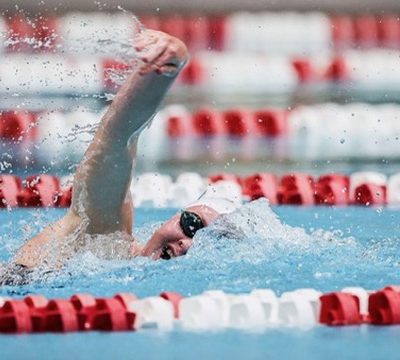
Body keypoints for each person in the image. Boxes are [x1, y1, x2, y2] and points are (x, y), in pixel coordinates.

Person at [12, 29, 240, 273]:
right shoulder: (105, 235)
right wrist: (168, 66)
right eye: (192, 224)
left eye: (206, 245)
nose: (186, 244)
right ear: (176, 216)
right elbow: (118, 139)